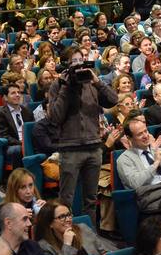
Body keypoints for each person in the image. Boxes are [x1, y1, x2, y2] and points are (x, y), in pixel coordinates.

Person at [48, 66, 116, 224]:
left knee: (91, 200)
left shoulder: (92, 83)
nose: (79, 69)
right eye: (75, 64)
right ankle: (65, 235)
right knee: (66, 200)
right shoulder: (58, 85)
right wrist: (65, 86)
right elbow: (55, 117)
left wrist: (98, 82)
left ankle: (90, 234)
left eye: (82, 63)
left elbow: (113, 100)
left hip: (93, 148)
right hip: (70, 149)